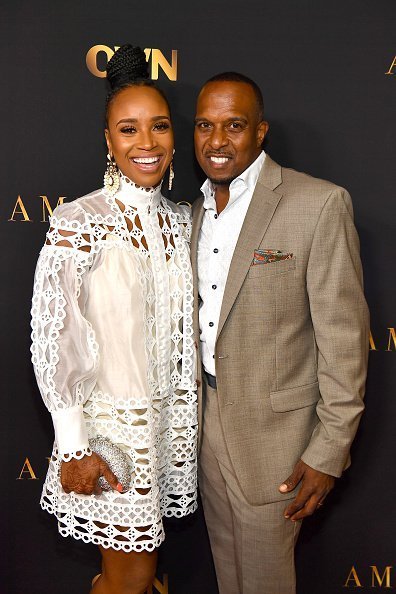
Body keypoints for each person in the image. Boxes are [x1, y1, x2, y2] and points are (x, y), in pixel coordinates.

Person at [191, 72, 369, 594]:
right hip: (204, 424)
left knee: (266, 581)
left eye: (234, 125)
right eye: (205, 125)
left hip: (278, 441)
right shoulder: (194, 210)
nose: (217, 140)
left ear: (261, 131)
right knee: (228, 572)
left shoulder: (318, 203)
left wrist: (328, 451)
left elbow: (344, 340)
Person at [31, 44, 197, 594]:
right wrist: (74, 441)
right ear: (108, 140)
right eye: (128, 129)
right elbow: (55, 335)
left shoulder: (184, 222)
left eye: (160, 127)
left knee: (130, 576)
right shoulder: (79, 221)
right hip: (112, 437)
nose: (146, 144)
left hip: (174, 429)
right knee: (131, 576)